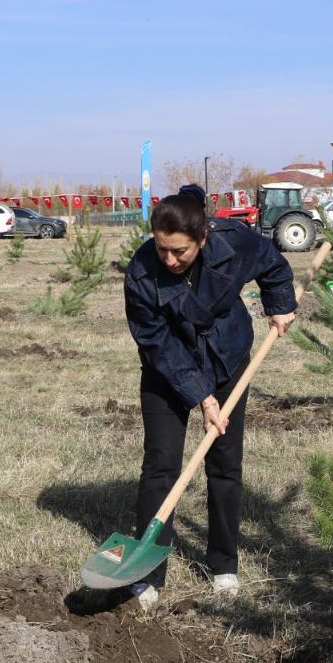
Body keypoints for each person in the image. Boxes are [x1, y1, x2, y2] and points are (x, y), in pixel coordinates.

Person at [123, 184, 297, 610]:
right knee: (161, 466)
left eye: (179, 251)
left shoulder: (232, 243)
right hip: (168, 371)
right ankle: (148, 574)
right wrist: (201, 398)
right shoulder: (142, 273)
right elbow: (156, 343)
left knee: (224, 466)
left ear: (203, 238)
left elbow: (272, 263)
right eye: (162, 248)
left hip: (227, 361)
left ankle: (223, 565)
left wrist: (280, 303)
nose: (169, 259)